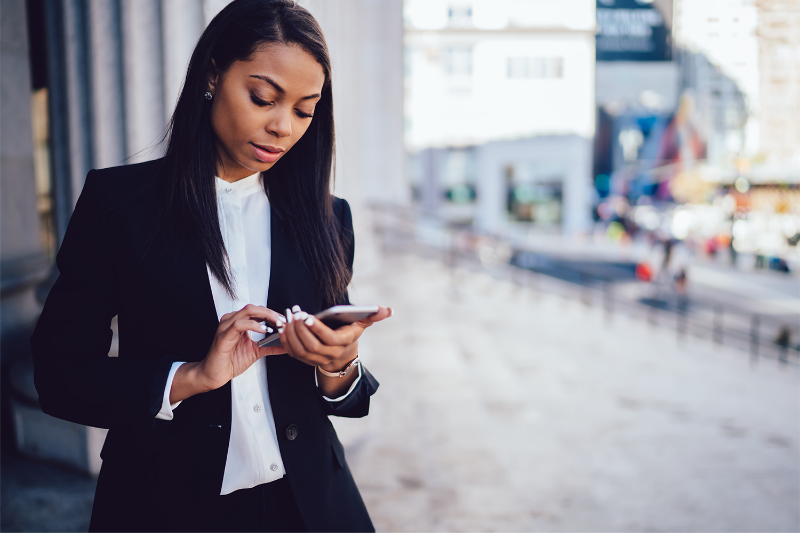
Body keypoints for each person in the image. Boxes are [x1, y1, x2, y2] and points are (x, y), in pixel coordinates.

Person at [29, 1, 391, 531]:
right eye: (263, 98)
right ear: (213, 74)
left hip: (311, 505)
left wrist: (338, 365)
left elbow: (344, 400)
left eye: (304, 110)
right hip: (165, 505)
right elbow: (59, 375)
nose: (282, 127)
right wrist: (189, 377)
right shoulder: (119, 205)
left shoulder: (328, 218)